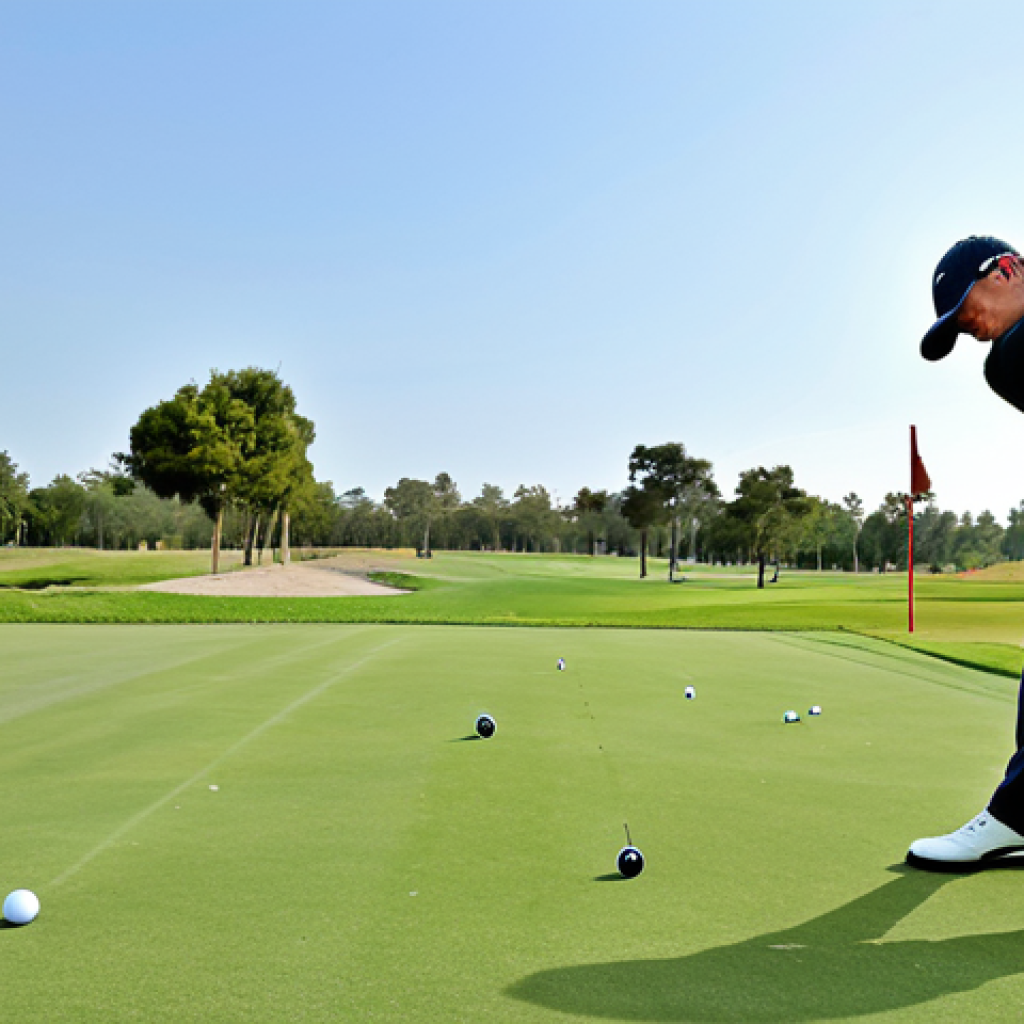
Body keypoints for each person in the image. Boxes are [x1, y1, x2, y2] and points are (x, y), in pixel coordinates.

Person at [910, 236, 1024, 869]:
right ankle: (1017, 817)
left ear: (1007, 270)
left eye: (966, 307)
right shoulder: (1010, 360)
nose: (971, 329)